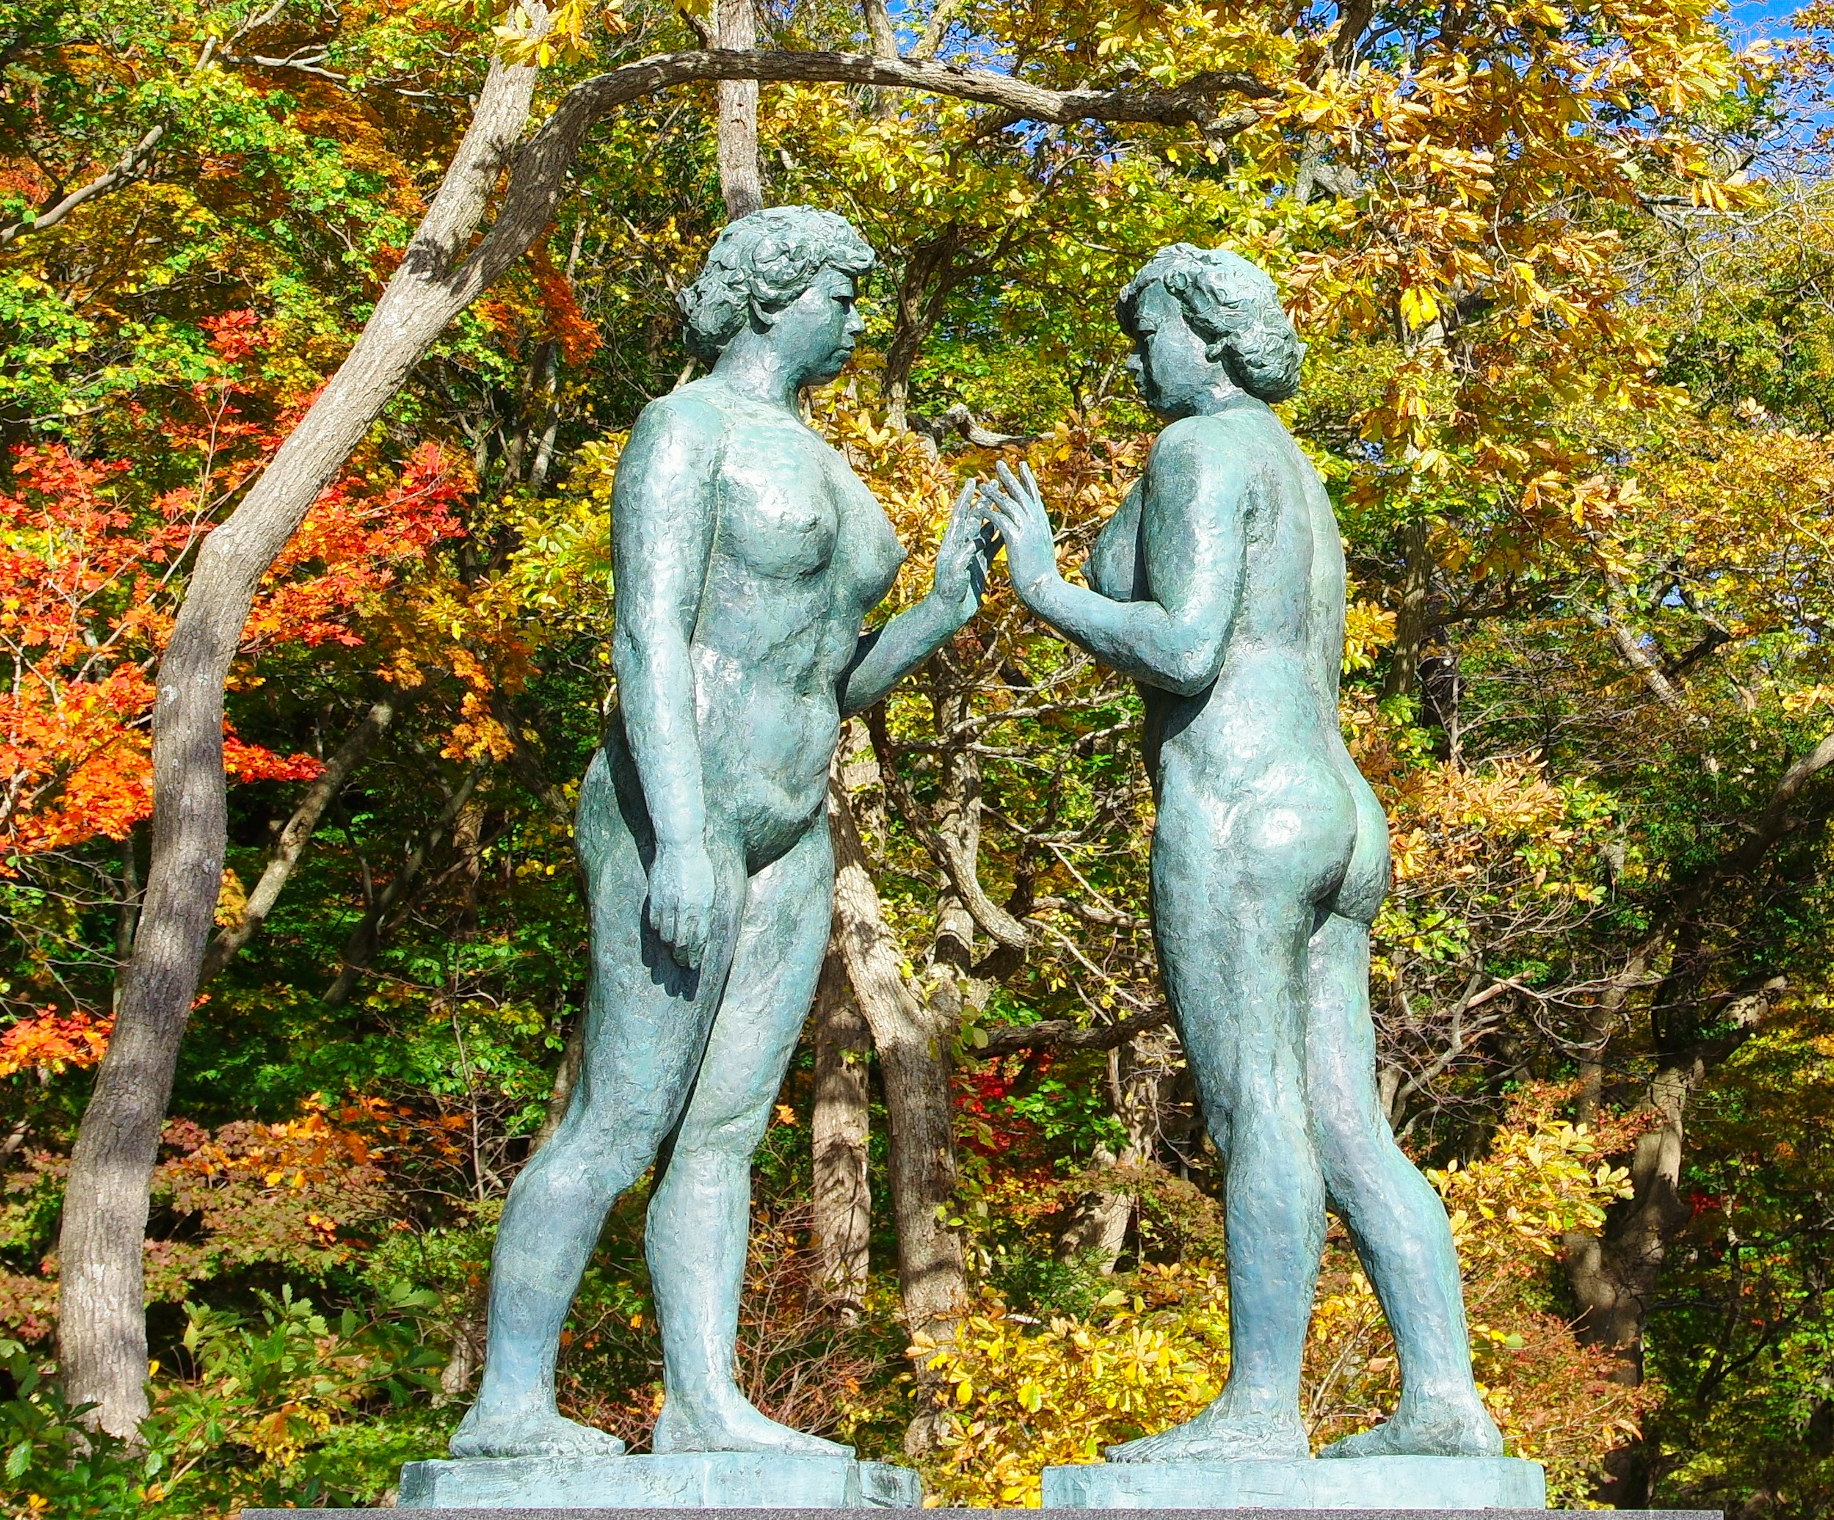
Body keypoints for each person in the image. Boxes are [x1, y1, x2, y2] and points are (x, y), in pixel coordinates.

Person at [454, 206, 990, 1461]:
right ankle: (506, 1407)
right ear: (771, 294)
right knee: (621, 1118)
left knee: (724, 1131)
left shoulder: (830, 463)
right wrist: (683, 837)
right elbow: (646, 636)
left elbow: (838, 679)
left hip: (793, 826)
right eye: (839, 298)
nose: (856, 323)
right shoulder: (683, 427)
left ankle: (704, 1401)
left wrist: (942, 607)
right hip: (671, 807)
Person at [976, 245, 1504, 1464]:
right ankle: (1443, 1402)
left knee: (1257, 1110)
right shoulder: (1287, 465)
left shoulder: (1200, 451)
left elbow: (1181, 643)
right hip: (1336, 806)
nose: (1136, 355)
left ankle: (1260, 1412)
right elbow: (1155, 571)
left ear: (1207, 336)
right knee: (1347, 1121)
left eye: (1151, 331)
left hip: (1239, 808)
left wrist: (1044, 589)